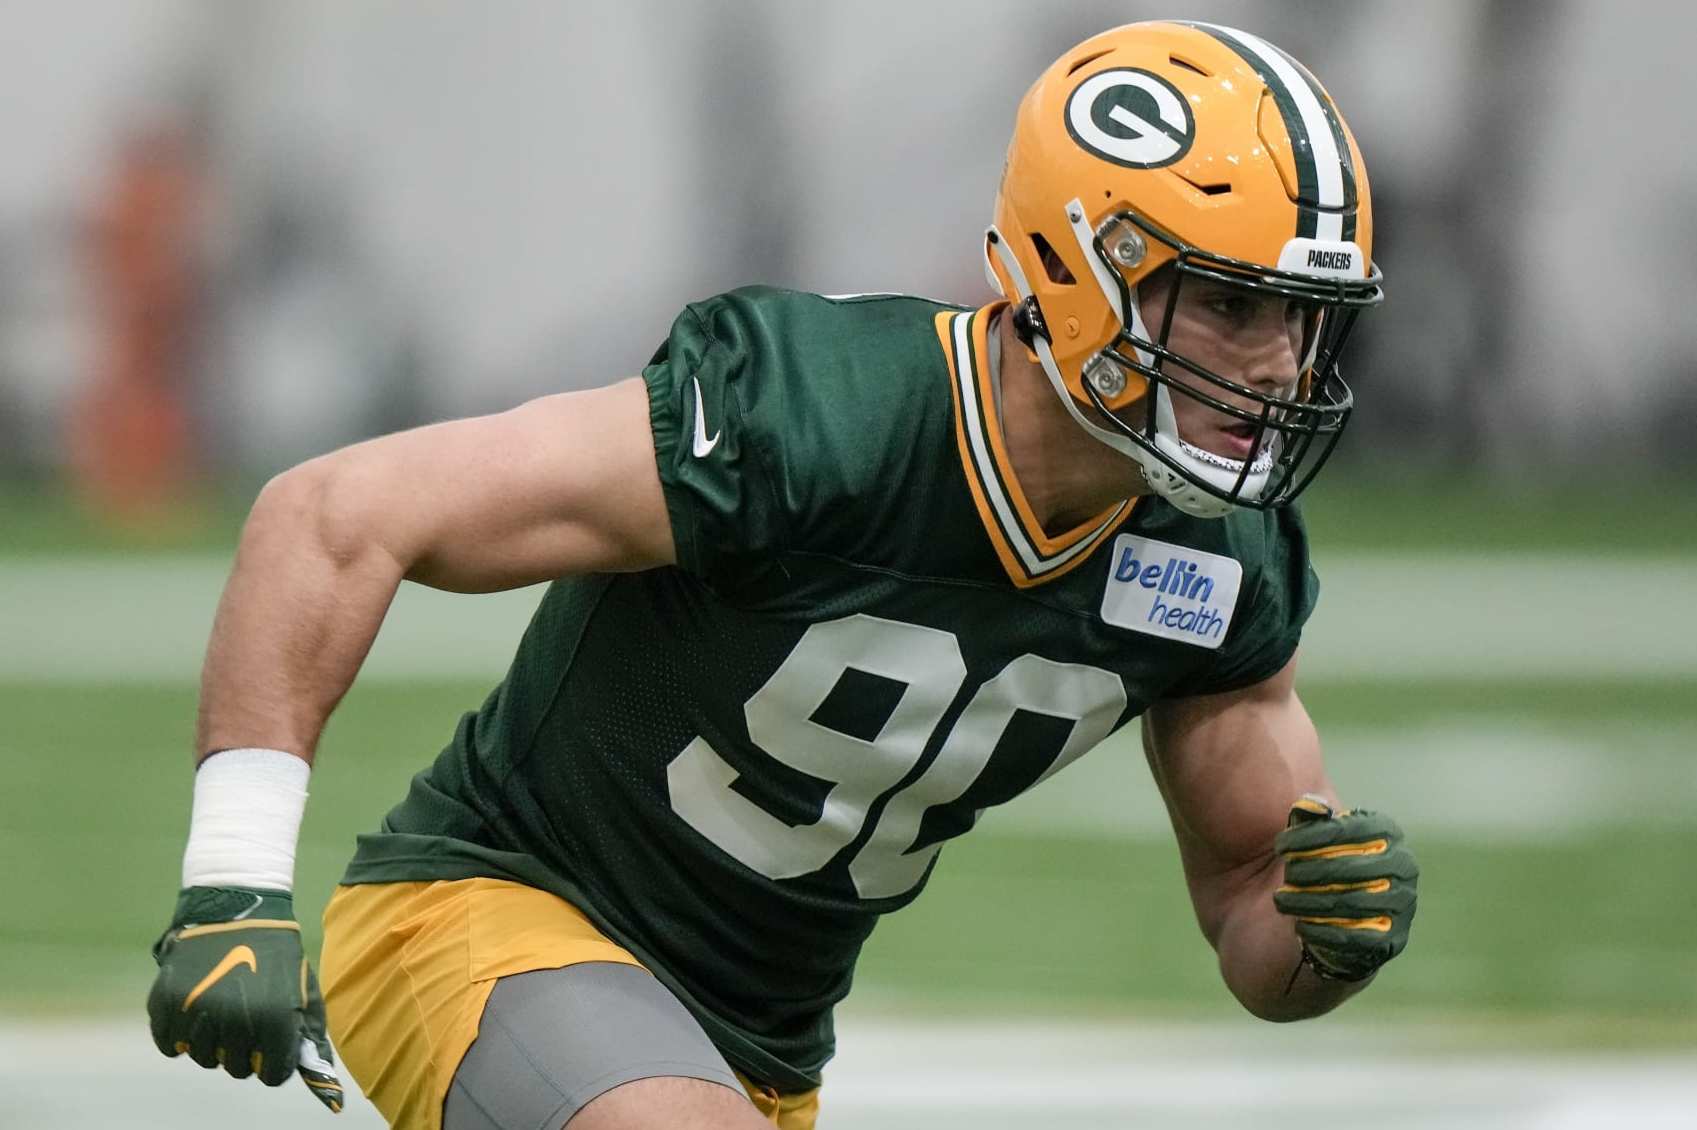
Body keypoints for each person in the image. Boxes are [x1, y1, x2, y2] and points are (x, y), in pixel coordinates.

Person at [147, 19, 1418, 1130]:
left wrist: (1326, 936)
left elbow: (1251, 905)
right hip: (494, 909)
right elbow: (333, 513)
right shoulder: (816, 418)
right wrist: (234, 880)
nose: (1274, 370)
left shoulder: (1219, 551)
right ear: (1085, 273)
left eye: (1306, 319)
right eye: (1232, 307)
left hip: (748, 1050)